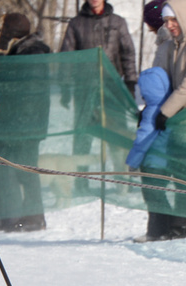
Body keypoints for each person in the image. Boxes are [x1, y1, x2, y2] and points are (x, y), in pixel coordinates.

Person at [136, 0, 186, 242]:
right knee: (181, 173)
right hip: (180, 121)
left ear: (185, 17)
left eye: (174, 20)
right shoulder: (175, 43)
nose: (169, 25)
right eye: (166, 21)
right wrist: (151, 108)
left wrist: (165, 112)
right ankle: (179, 222)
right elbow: (162, 78)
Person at [0, 13, 49, 232]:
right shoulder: (16, 50)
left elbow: (25, 88)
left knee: (26, 171)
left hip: (27, 125)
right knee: (11, 171)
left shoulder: (33, 52)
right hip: (14, 123)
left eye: (3, 28)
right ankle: (15, 215)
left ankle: (33, 217)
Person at [60, 0, 137, 181]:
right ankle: (82, 179)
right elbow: (67, 56)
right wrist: (65, 86)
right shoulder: (76, 23)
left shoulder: (117, 22)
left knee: (117, 133)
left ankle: (122, 178)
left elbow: (128, 53)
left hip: (112, 88)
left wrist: (130, 81)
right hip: (85, 88)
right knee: (83, 134)